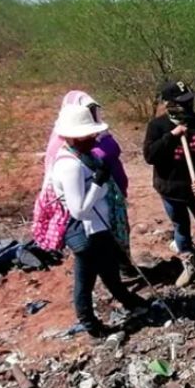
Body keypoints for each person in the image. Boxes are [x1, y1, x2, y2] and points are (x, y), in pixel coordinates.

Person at [50, 104, 147, 338]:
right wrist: (98, 184)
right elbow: (78, 210)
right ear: (74, 137)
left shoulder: (82, 156)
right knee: (85, 281)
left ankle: (132, 303)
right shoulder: (70, 166)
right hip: (87, 231)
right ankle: (91, 324)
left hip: (100, 227)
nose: (94, 138)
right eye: (88, 134)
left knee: (110, 270)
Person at [44, 91, 138, 278]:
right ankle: (119, 275)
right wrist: (98, 183)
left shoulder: (95, 134)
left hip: (109, 196)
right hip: (91, 212)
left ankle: (124, 269)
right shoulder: (67, 156)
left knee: (117, 235)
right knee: (94, 261)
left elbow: (111, 150)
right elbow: (77, 206)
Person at [142, 81, 195, 288]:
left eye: (188, 100)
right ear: (169, 104)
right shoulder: (157, 126)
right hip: (171, 190)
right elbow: (150, 156)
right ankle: (189, 266)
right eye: (181, 102)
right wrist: (172, 136)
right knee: (181, 228)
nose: (187, 105)